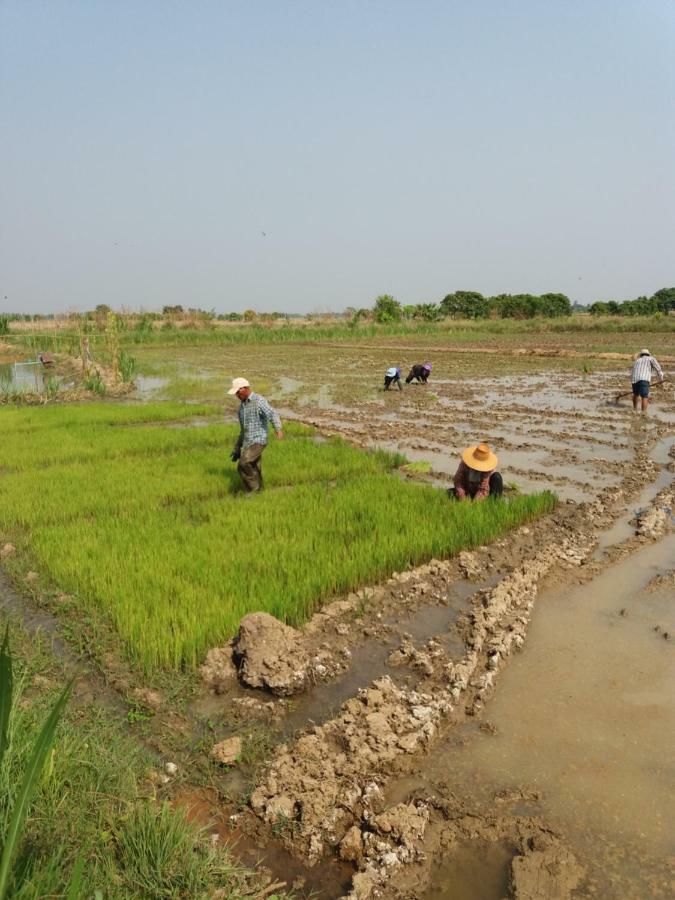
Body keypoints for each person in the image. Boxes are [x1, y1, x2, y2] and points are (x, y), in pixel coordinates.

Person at [228, 377, 283, 492]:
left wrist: (278, 428)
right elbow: (243, 431)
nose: (237, 395)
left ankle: (253, 491)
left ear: (246, 388)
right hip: (248, 443)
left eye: (238, 392)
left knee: (243, 463)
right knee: (254, 468)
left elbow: (272, 413)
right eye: (236, 393)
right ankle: (260, 491)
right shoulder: (241, 409)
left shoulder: (258, 401)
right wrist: (237, 449)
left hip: (259, 441)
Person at [631, 348, 665, 414]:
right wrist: (661, 380)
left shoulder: (637, 361)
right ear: (648, 354)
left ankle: (634, 409)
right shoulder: (651, 358)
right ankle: (643, 412)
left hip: (634, 379)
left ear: (641, 355)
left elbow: (632, 371)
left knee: (635, 394)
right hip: (644, 379)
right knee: (644, 396)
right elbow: (659, 370)